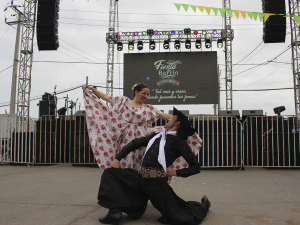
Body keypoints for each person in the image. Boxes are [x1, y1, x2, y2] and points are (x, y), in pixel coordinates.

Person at [97, 107, 210, 225]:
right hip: (141, 180)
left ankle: (204, 206)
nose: (169, 120)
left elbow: (196, 167)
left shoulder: (180, 143)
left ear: (177, 123)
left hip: (157, 186)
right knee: (110, 173)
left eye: (172, 118)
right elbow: (135, 143)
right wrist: (117, 158)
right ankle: (114, 212)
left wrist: (176, 172)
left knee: (181, 215)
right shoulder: (157, 136)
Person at [82, 83, 202, 181]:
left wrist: (182, 121)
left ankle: (139, 191)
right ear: (136, 92)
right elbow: (106, 98)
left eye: (148, 94)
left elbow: (163, 115)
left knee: (139, 164)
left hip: (141, 139)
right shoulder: (123, 102)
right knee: (125, 161)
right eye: (144, 93)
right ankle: (124, 190)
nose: (146, 96)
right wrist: (91, 89)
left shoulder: (147, 109)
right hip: (126, 139)